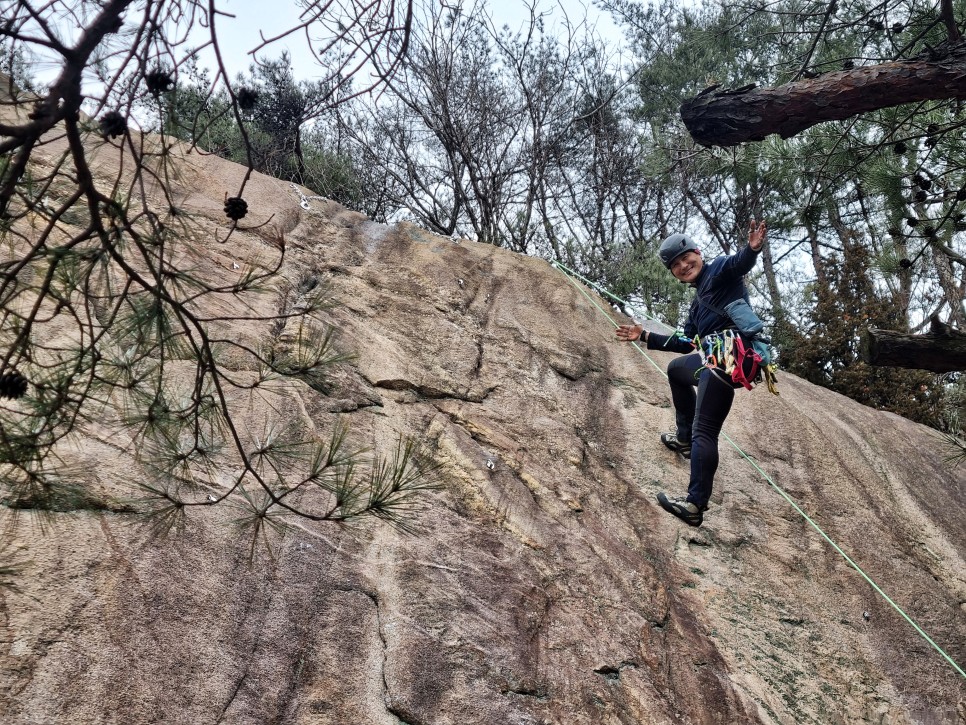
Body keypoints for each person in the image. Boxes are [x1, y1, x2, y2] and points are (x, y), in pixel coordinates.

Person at [615, 220, 767, 527]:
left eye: (687, 257)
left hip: (732, 358)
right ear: (673, 272)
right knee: (677, 370)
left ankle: (695, 505)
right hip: (715, 360)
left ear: (698, 253)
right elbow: (686, 343)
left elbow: (739, 263)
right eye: (676, 265)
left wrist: (752, 249)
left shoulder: (720, 271)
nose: (684, 265)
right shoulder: (697, 307)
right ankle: (684, 440)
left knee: (706, 431)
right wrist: (645, 336)